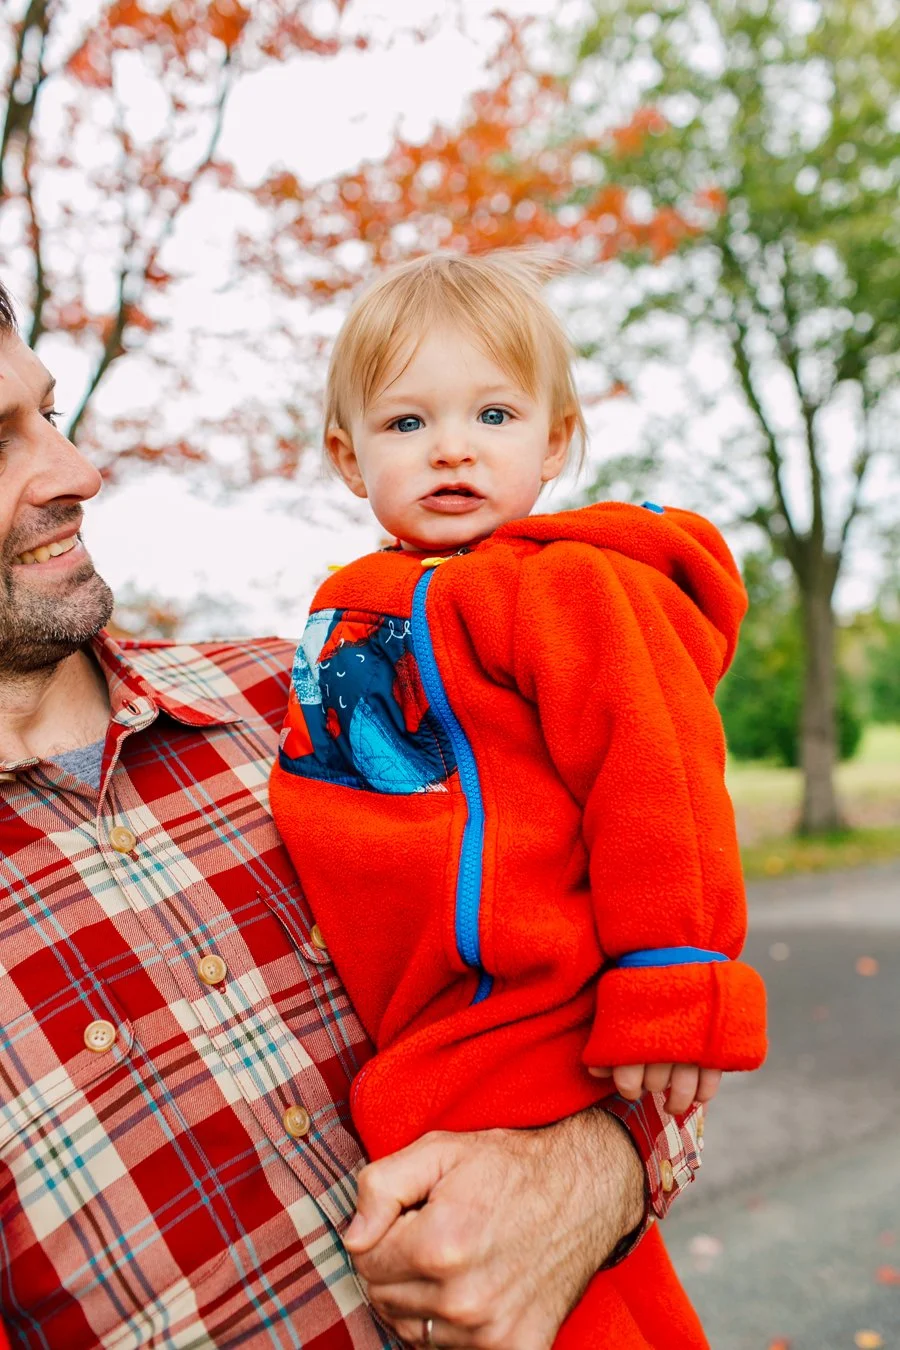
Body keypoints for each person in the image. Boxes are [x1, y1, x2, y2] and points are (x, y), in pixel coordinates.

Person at [0, 274, 707, 1350]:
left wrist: (589, 1175)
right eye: (0, 440)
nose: (80, 471)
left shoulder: (327, 701)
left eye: (48, 414)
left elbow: (625, 942)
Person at [270, 250, 768, 1348]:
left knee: (573, 1296)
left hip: (543, 1001)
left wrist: (674, 973)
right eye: (407, 424)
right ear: (349, 459)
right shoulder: (349, 605)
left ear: (553, 442)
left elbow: (659, 777)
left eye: (492, 413)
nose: (451, 446)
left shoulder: (571, 588)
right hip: (415, 1019)